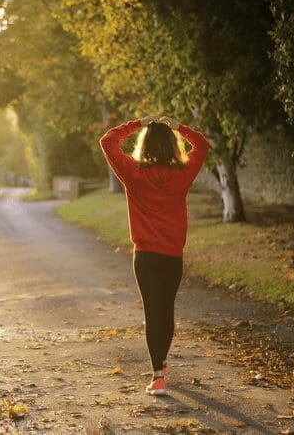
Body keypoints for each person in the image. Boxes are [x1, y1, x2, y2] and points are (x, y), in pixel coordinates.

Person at [98, 114, 210, 396]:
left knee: (152, 311)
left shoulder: (133, 174)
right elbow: (202, 145)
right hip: (172, 256)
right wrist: (179, 127)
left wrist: (137, 124)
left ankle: (158, 375)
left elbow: (108, 141)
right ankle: (161, 361)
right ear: (173, 146)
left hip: (145, 256)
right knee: (166, 310)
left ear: (144, 145)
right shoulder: (182, 175)